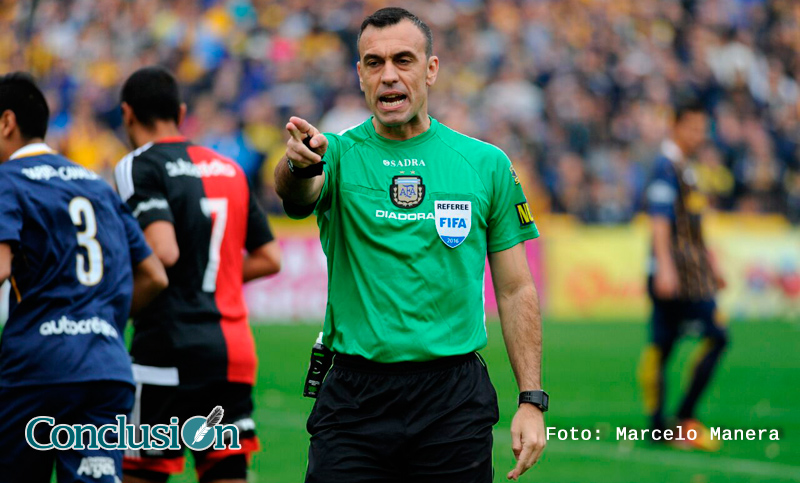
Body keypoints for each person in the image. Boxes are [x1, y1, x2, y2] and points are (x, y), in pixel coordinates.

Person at [274, 8, 547, 482]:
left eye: (403, 60)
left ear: (431, 69)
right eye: (374, 63)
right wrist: (298, 165)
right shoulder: (334, 154)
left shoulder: (484, 164)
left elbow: (516, 288)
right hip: (355, 399)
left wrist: (531, 400)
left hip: (452, 399)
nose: (389, 75)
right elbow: (296, 196)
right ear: (360, 75)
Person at [114, 66, 281, 483]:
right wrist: (217, 275)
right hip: (231, 352)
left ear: (127, 114)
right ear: (182, 111)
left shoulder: (137, 165)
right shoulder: (228, 168)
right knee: (225, 471)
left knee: (141, 472)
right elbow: (269, 258)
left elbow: (163, 251)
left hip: (166, 349)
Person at [0, 72, 167, 483]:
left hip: (36, 369)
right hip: (105, 367)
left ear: (6, 123)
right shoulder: (96, 184)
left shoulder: (7, 181)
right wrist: (97, 321)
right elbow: (154, 275)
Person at [638, 101, 729, 451]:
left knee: (668, 343)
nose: (698, 135)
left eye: (702, 128)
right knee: (709, 336)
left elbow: (693, 225)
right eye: (692, 127)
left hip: (691, 272)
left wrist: (712, 265)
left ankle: (665, 423)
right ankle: (674, 422)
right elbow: (659, 221)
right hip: (677, 274)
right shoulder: (666, 167)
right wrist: (664, 266)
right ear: (675, 126)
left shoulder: (684, 167)